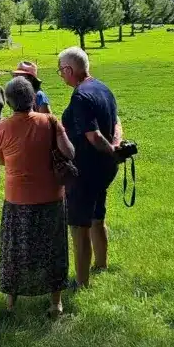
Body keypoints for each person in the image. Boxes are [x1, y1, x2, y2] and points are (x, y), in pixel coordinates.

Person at [0, 77, 74, 317]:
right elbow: (69, 152)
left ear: (8, 101)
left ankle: (11, 303)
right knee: (53, 248)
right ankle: (56, 302)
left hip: (17, 197)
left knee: (15, 250)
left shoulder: (2, 127)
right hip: (51, 196)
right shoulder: (50, 121)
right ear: (32, 98)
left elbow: (1, 160)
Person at [58, 46, 123, 288]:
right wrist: (115, 148)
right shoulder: (103, 88)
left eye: (61, 71)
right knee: (97, 216)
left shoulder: (80, 96)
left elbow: (93, 136)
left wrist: (111, 150)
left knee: (78, 225)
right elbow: (117, 122)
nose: (61, 76)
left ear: (69, 69)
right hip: (105, 169)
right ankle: (101, 264)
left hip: (85, 170)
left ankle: (82, 282)